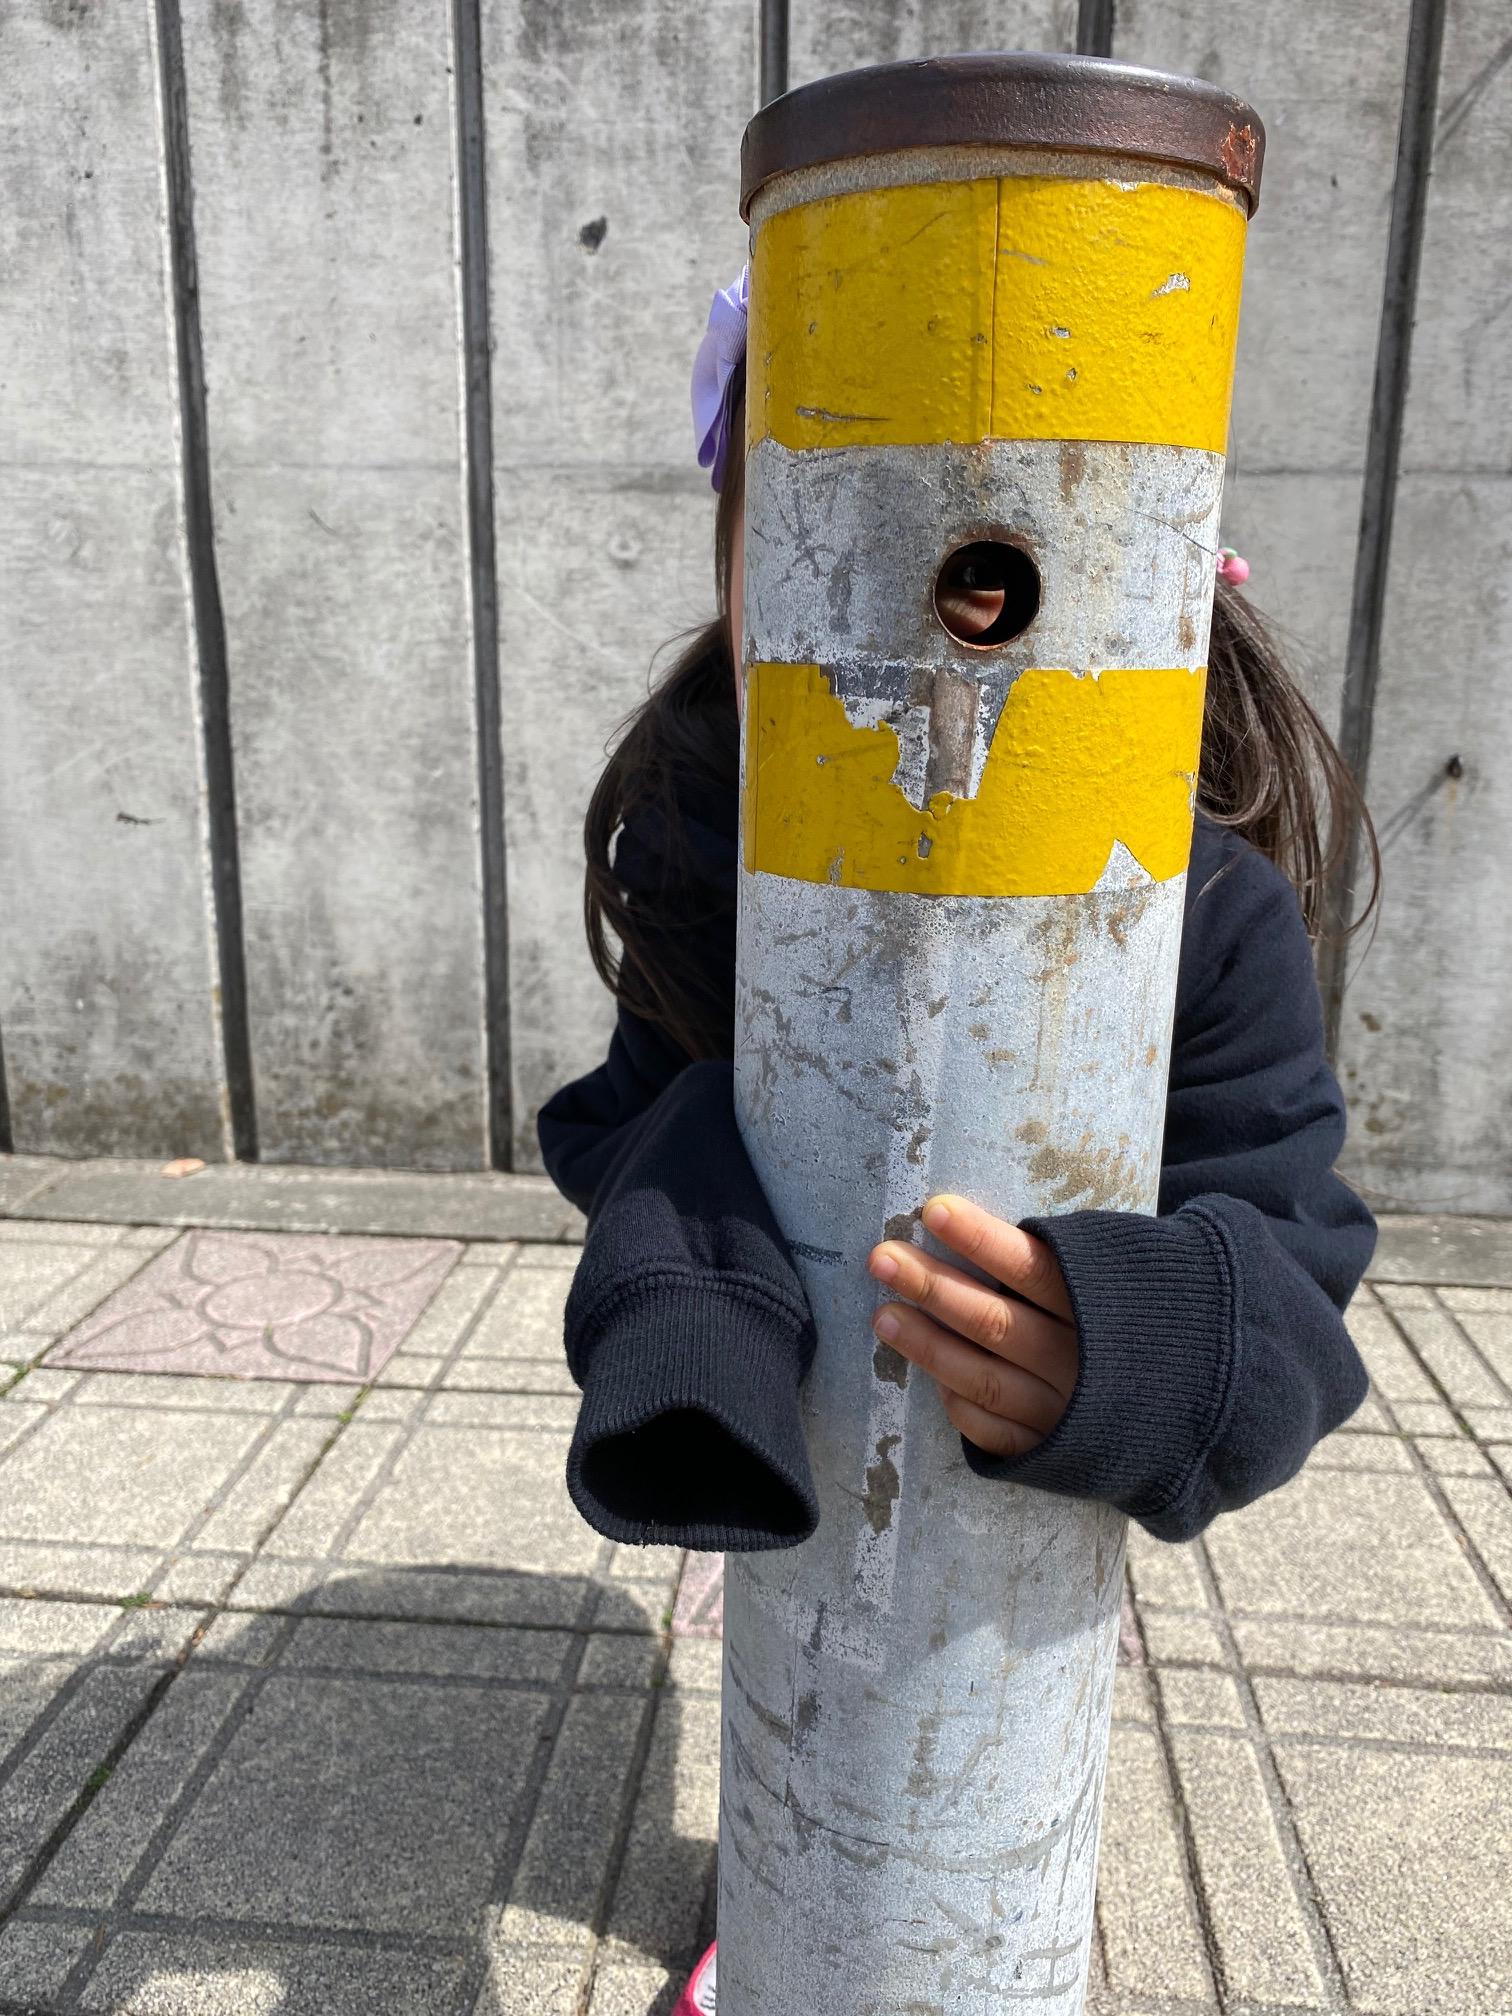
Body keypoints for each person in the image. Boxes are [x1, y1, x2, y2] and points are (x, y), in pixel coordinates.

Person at [537, 271, 1380, 2010]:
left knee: (973, 1712)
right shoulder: (703, 830)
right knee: (805, 1674)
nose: (919, 627)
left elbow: (1290, 1245)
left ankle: (964, 1893)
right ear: (735, 559)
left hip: (1024, 1517)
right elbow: (627, 1121)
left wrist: (1147, 1348)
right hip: (797, 1458)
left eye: (981, 571)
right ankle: (792, 1883)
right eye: (815, 539)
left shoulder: (1198, 898)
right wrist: (687, 1275)